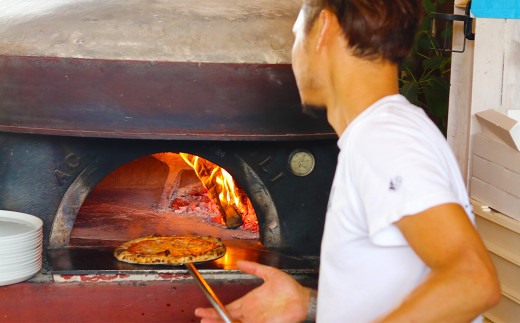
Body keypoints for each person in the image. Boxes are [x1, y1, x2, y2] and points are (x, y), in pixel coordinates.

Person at [195, 0, 501, 322]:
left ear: (323, 29)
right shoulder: (383, 132)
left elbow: (473, 281)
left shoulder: (384, 137)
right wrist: (310, 304)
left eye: (297, 35)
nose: (294, 54)